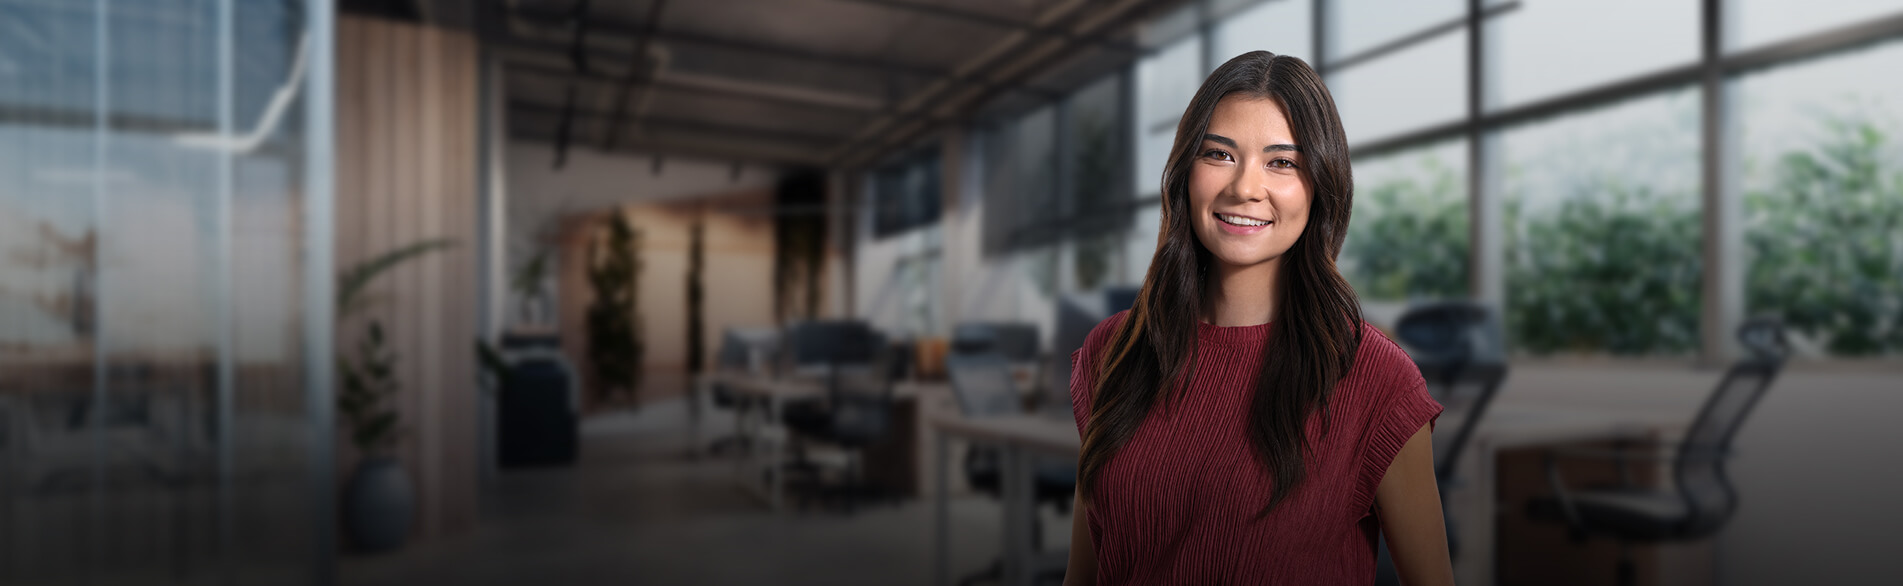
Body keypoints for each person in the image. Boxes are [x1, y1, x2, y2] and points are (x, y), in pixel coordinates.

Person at [1062, 51, 1454, 585]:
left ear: (1319, 187)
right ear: (1184, 173)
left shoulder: (1375, 379)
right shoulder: (1115, 351)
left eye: (1282, 162)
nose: (1244, 186)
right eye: (1219, 154)